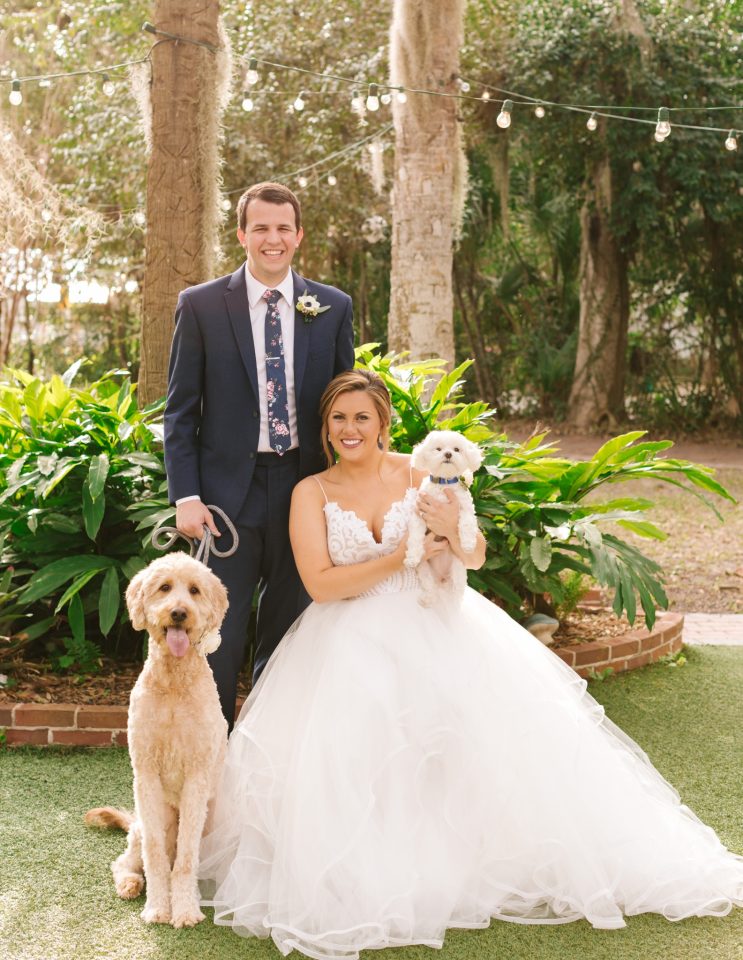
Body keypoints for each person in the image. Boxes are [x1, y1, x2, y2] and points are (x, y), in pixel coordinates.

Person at [198, 369, 743, 959]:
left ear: (382, 425)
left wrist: (450, 531)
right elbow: (322, 585)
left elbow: (475, 554)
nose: (350, 429)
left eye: (362, 418)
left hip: (437, 620)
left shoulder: (423, 471)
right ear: (325, 428)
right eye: (338, 418)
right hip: (345, 635)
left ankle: (471, 861)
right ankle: (386, 870)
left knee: (468, 745)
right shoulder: (312, 492)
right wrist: (401, 559)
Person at [164, 182, 354, 727]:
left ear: (299, 235)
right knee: (217, 635)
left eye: (283, 228)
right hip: (225, 501)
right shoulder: (201, 305)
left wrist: (351, 487)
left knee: (291, 632)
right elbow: (180, 411)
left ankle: (269, 756)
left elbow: (346, 406)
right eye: (262, 228)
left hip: (306, 490)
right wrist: (186, 496)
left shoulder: (333, 307)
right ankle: (214, 753)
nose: (273, 239)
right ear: (242, 234)